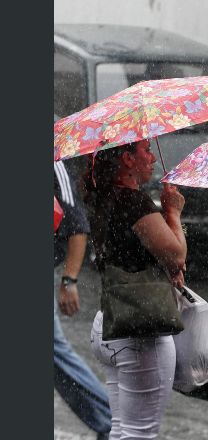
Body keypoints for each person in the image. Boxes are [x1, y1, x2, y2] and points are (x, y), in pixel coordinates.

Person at [82, 139, 188, 440]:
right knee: (140, 433)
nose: (153, 158)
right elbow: (176, 255)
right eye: (146, 151)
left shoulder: (105, 198)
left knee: (121, 429)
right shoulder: (133, 202)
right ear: (127, 159)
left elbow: (138, 254)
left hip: (109, 324)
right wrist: (174, 212)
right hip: (139, 332)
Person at [54, 161, 112, 440]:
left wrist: (69, 280)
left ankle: (109, 422)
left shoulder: (53, 162)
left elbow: (76, 223)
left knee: (53, 352)